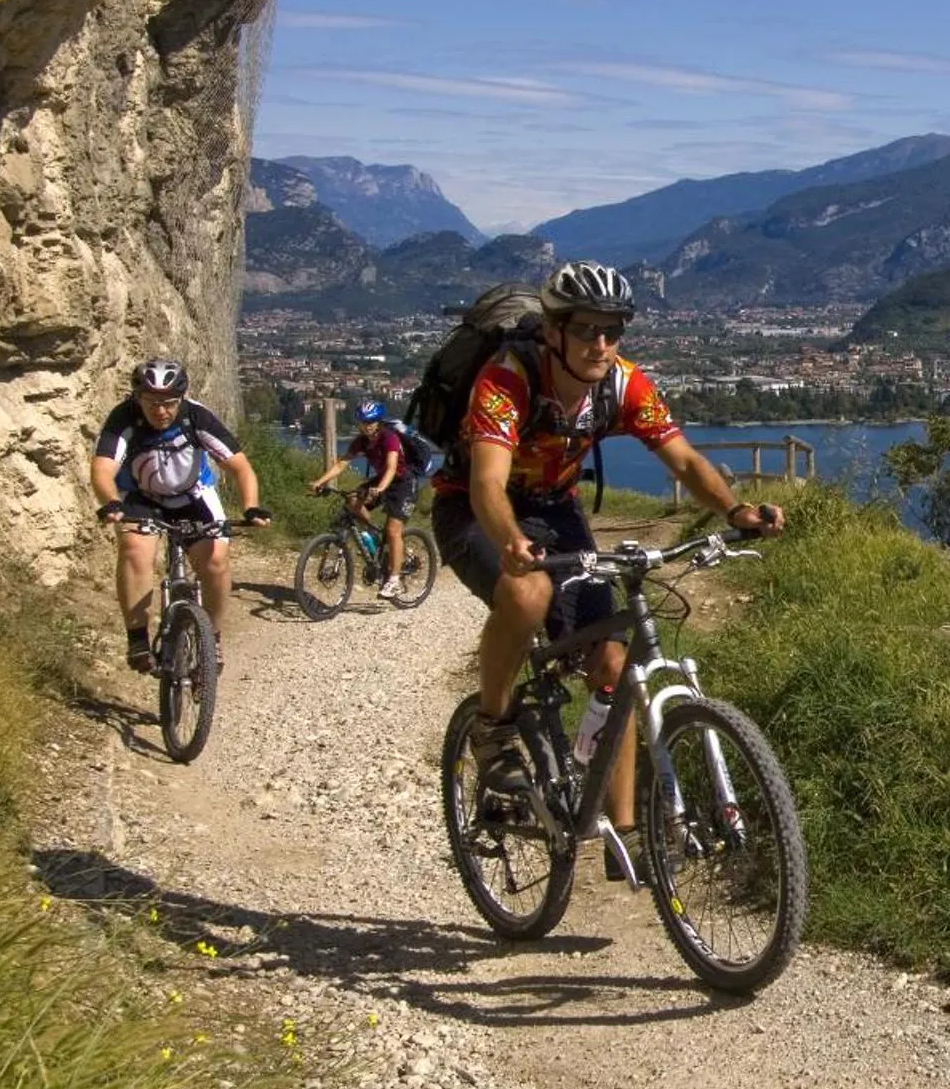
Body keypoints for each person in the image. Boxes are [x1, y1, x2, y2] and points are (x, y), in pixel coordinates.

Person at [433, 261, 783, 875]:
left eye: (613, 331)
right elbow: (488, 482)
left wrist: (736, 508)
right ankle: (492, 726)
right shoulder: (507, 380)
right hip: (473, 510)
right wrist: (510, 540)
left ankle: (624, 836)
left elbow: (683, 460)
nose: (601, 345)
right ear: (553, 331)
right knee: (528, 592)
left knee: (615, 663)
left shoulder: (620, 384)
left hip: (554, 507)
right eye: (588, 330)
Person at [90, 358, 272, 672]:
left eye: (169, 403)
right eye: (151, 402)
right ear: (138, 397)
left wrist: (250, 506)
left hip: (193, 496)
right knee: (134, 550)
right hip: (141, 496)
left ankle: (211, 637)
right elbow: (103, 468)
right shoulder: (124, 417)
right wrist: (110, 502)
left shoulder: (196, 417)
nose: (161, 410)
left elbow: (240, 467)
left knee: (215, 561)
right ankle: (136, 638)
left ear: (182, 398)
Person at [307, 399, 415, 599]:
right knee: (352, 501)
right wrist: (320, 481)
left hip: (402, 484)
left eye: (370, 421)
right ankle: (374, 535)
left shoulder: (389, 438)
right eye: (362, 422)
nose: (365, 426)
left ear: (378, 422)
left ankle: (394, 580)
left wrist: (380, 488)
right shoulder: (361, 441)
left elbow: (391, 467)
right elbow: (342, 464)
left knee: (393, 529)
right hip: (379, 482)